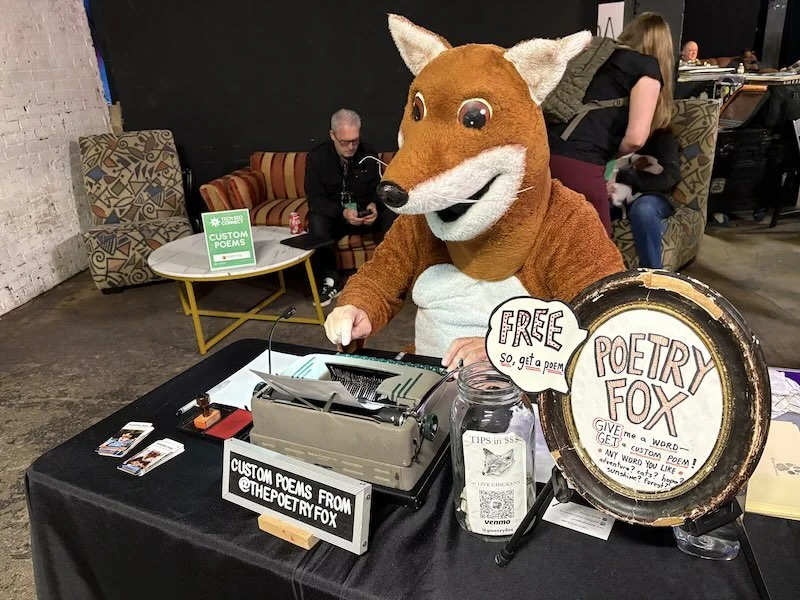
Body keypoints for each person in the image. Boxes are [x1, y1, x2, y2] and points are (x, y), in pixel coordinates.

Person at [547, 12, 674, 234]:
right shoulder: (647, 67)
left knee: (553, 243)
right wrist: (613, 156)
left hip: (544, 154)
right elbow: (636, 139)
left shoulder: (600, 58)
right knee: (600, 257)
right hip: (580, 165)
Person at [305, 109, 397, 306]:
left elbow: (378, 189)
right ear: (332, 135)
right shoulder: (317, 158)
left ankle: (391, 275)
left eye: (354, 140)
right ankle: (329, 280)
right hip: (338, 218)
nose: (351, 147)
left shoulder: (369, 153)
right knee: (316, 218)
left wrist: (375, 206)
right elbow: (315, 199)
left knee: (392, 213)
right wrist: (343, 212)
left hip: (364, 216)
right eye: (344, 142)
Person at [607, 128, 680, 269]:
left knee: (643, 209)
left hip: (652, 196)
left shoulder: (663, 138)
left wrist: (629, 177)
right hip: (618, 196)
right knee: (589, 207)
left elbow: (670, 176)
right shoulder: (616, 133)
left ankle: (653, 276)